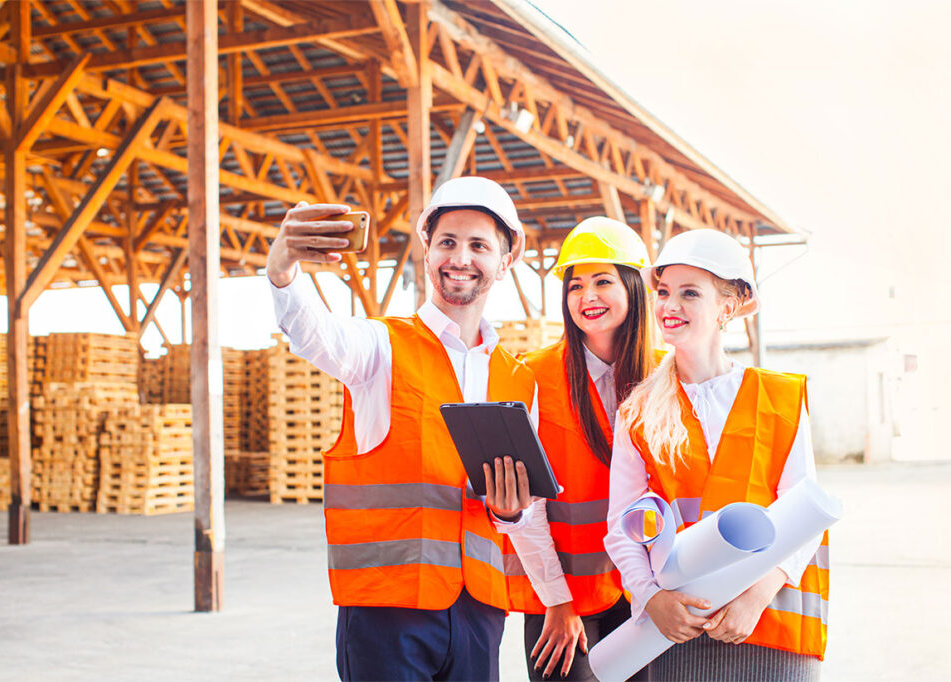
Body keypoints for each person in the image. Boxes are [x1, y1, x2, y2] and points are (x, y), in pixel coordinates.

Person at [266, 176, 553, 682]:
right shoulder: (380, 348)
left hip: (480, 611)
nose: (460, 257)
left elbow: (523, 515)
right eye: (447, 242)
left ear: (505, 262)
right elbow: (315, 334)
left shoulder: (518, 378)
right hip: (386, 608)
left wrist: (511, 517)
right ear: (427, 252)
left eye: (478, 245)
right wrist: (283, 267)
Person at [604, 229, 829, 680]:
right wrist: (651, 599)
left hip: (768, 618)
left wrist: (756, 595)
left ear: (728, 306)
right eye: (664, 292)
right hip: (679, 625)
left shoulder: (778, 397)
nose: (670, 306)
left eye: (690, 293)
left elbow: (804, 515)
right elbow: (621, 525)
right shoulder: (640, 411)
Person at [488, 217, 656, 681]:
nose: (587, 297)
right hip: (563, 602)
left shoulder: (664, 377)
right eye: (575, 285)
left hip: (644, 596)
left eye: (603, 281)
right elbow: (526, 506)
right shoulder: (535, 375)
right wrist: (557, 602)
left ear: (634, 287)